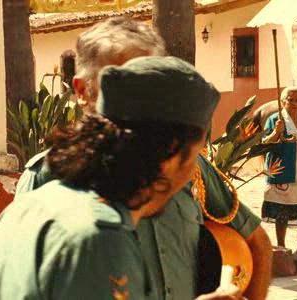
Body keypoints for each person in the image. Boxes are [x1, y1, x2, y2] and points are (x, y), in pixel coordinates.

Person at [14, 17, 272, 300]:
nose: (148, 102)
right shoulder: (49, 180)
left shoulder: (187, 165)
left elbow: (256, 241)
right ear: (82, 90)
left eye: (155, 82)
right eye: (126, 83)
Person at [0, 56, 238, 299]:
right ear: (170, 156)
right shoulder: (100, 239)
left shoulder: (26, 209)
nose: (192, 172)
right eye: (193, 156)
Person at [261, 87, 297, 249]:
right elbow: (264, 144)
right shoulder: (275, 120)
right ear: (283, 102)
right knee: (281, 213)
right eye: (290, 100)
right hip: (283, 172)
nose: (294, 103)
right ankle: (281, 246)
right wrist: (276, 133)